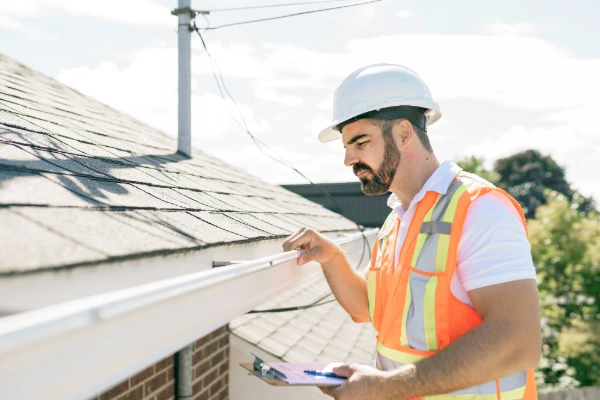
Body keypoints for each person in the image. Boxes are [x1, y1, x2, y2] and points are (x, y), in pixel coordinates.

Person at [282, 64, 541, 400]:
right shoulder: (397, 220)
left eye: (360, 142)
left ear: (404, 134)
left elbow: (518, 342)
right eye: (346, 146)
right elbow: (368, 309)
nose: (348, 159)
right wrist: (331, 257)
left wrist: (382, 387)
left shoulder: (480, 209)